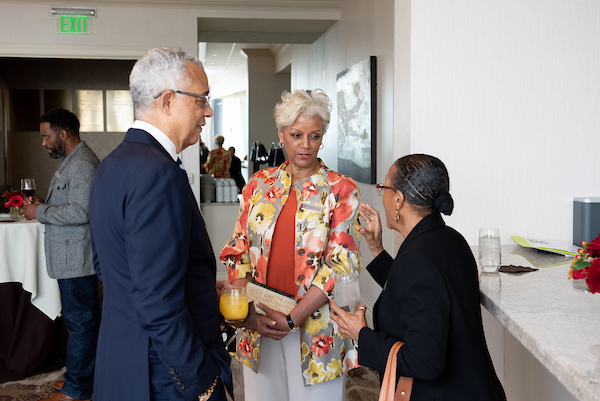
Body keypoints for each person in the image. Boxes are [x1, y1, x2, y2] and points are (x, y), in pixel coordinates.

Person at [88, 48, 232, 401]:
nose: (208, 112)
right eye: (202, 100)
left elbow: (110, 267)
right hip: (162, 372)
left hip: (121, 356)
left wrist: (198, 290)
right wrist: (202, 382)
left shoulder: (111, 164)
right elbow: (156, 300)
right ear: (168, 101)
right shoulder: (158, 174)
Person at [220, 89, 362, 401]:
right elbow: (238, 248)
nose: (306, 145)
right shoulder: (258, 185)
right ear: (282, 134)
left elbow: (339, 263)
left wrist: (292, 318)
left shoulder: (340, 190)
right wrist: (249, 311)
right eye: (297, 135)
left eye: (315, 135)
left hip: (317, 328)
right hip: (260, 322)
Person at [329, 154, 506, 400]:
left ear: (398, 199)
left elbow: (424, 362)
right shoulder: (451, 240)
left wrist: (362, 335)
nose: (384, 198)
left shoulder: (417, 258)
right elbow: (418, 293)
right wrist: (377, 249)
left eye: (384, 189)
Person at [22, 108, 100, 401]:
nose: (43, 142)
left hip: (77, 261)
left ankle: (77, 391)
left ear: (62, 134)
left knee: (80, 325)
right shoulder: (72, 160)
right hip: (70, 260)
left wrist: (39, 211)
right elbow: (73, 202)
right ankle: (80, 380)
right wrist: (46, 203)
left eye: (46, 136)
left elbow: (81, 211)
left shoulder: (80, 164)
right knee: (79, 322)